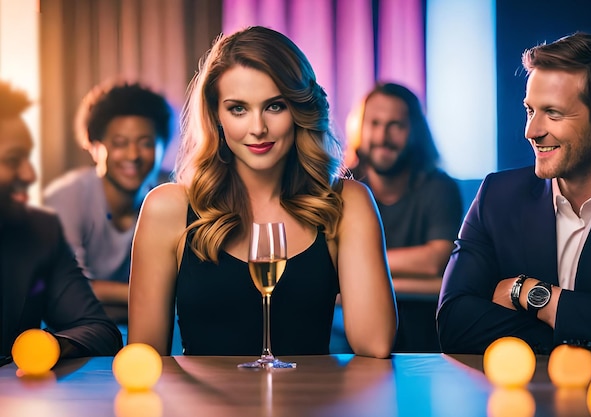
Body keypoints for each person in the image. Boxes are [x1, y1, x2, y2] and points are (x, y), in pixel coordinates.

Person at [128, 26, 397, 357]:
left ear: (299, 108)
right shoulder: (166, 209)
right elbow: (143, 359)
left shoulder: (346, 202)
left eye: (275, 106)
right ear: (216, 116)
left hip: (313, 405)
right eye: (238, 109)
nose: (257, 128)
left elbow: (376, 344)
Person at [437, 32, 591, 355]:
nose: (531, 131)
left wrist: (527, 292)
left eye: (553, 113)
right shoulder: (497, 196)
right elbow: (455, 323)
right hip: (519, 402)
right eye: (530, 111)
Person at [0, 80, 122, 357]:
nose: (30, 175)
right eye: (12, 160)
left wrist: (47, 347)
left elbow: (98, 330)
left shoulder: (39, 232)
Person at [345, 82, 462, 352]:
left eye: (395, 125)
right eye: (374, 123)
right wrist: (422, 281)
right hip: (354, 333)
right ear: (360, 128)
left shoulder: (440, 187)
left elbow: (436, 262)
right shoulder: (342, 188)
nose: (383, 135)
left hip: (427, 329)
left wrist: (357, 276)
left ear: (415, 131)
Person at [43, 81, 173, 323]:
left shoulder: (171, 194)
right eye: (120, 143)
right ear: (94, 147)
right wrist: (151, 296)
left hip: (139, 324)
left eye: (146, 143)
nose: (133, 155)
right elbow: (69, 288)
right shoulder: (68, 197)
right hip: (71, 332)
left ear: (162, 147)